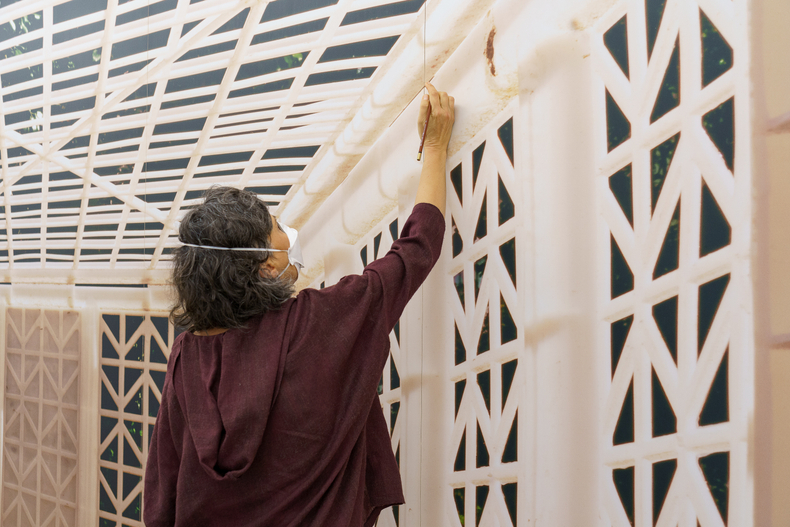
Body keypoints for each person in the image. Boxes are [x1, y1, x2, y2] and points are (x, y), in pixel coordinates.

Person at [143, 83, 455, 527]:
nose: (287, 235)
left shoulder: (184, 358)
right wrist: (438, 145)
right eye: (274, 227)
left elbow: (163, 490)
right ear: (263, 264)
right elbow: (414, 251)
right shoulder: (321, 320)